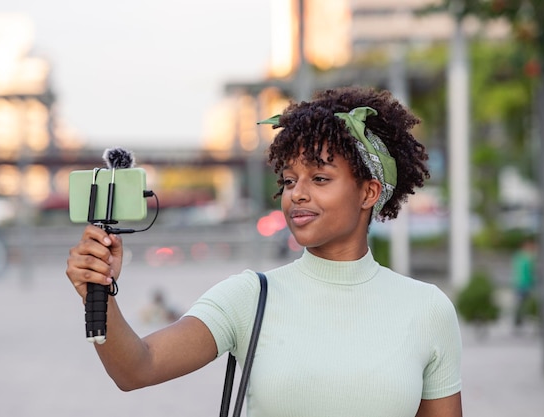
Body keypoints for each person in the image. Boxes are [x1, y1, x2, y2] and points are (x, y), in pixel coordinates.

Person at [66, 86, 463, 416]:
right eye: (289, 180)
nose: (297, 194)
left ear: (369, 192)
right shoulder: (250, 297)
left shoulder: (426, 309)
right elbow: (137, 368)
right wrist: (97, 292)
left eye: (320, 178)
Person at [512, 236, 538, 329]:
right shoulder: (525, 257)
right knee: (522, 304)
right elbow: (529, 271)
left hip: (522, 283)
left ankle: (519, 322)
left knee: (522, 304)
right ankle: (519, 322)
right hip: (523, 284)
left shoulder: (520, 256)